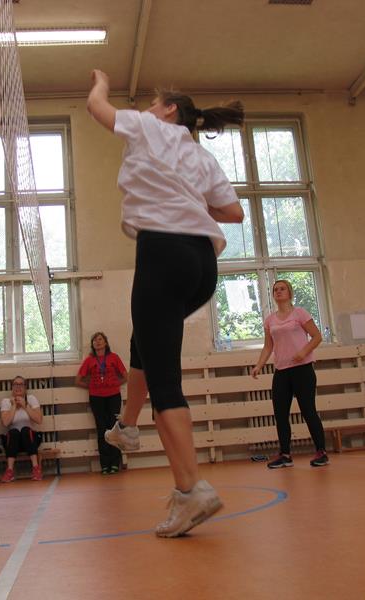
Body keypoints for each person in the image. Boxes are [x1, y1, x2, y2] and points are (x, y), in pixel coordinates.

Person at [87, 69, 245, 537]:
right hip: (202, 266)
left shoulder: (149, 128)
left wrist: (100, 82)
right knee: (146, 343)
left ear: (169, 110)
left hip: (162, 253)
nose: (148, 109)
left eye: (154, 103)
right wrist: (192, 201)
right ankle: (127, 426)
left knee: (165, 380)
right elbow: (234, 212)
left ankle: (190, 489)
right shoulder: (201, 156)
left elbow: (97, 108)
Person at [251, 279, 328, 468]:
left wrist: (304, 351)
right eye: (275, 289)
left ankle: (321, 452)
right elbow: (268, 346)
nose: (278, 291)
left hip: (303, 369)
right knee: (280, 414)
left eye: (282, 289)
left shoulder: (299, 313)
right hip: (281, 371)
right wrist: (259, 365)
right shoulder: (270, 320)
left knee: (308, 410)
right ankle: (285, 455)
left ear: (290, 293)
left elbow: (317, 336)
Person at [75, 332, 128, 474]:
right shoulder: (89, 360)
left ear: (105, 342)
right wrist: (92, 386)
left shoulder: (114, 357)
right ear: (92, 344)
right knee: (101, 429)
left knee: (114, 428)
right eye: (94, 340)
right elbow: (78, 380)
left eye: (100, 339)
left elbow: (125, 376)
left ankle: (115, 463)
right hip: (96, 398)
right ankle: (105, 464)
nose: (97, 342)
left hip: (113, 397)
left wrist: (114, 385)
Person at [0, 376, 44, 482]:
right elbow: (5, 423)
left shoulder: (31, 399)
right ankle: (10, 471)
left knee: (25, 430)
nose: (18, 387)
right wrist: (14, 406)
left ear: (25, 387)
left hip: (30, 440)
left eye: (21, 384)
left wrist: (25, 406)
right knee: (14, 432)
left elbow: (39, 419)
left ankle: (36, 468)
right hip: (13, 442)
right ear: (12, 387)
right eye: (15, 384)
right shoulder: (6, 401)